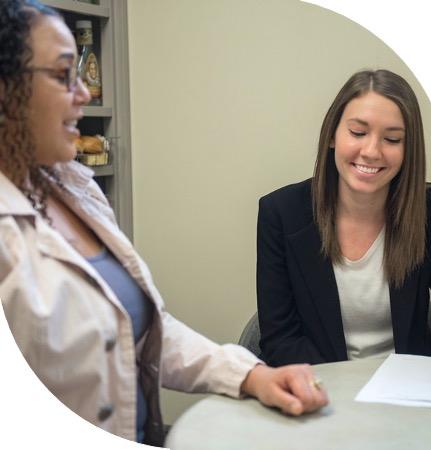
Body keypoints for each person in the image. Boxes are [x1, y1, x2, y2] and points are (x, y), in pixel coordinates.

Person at [0, 0, 327, 447]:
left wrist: (252, 375)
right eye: (62, 75)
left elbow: (144, 331)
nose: (83, 93)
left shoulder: (73, 187)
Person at [257, 69, 431, 367]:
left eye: (393, 139)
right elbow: (280, 340)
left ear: (408, 150)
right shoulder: (281, 213)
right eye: (358, 133)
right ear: (332, 135)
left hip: (407, 394)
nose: (372, 151)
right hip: (321, 389)